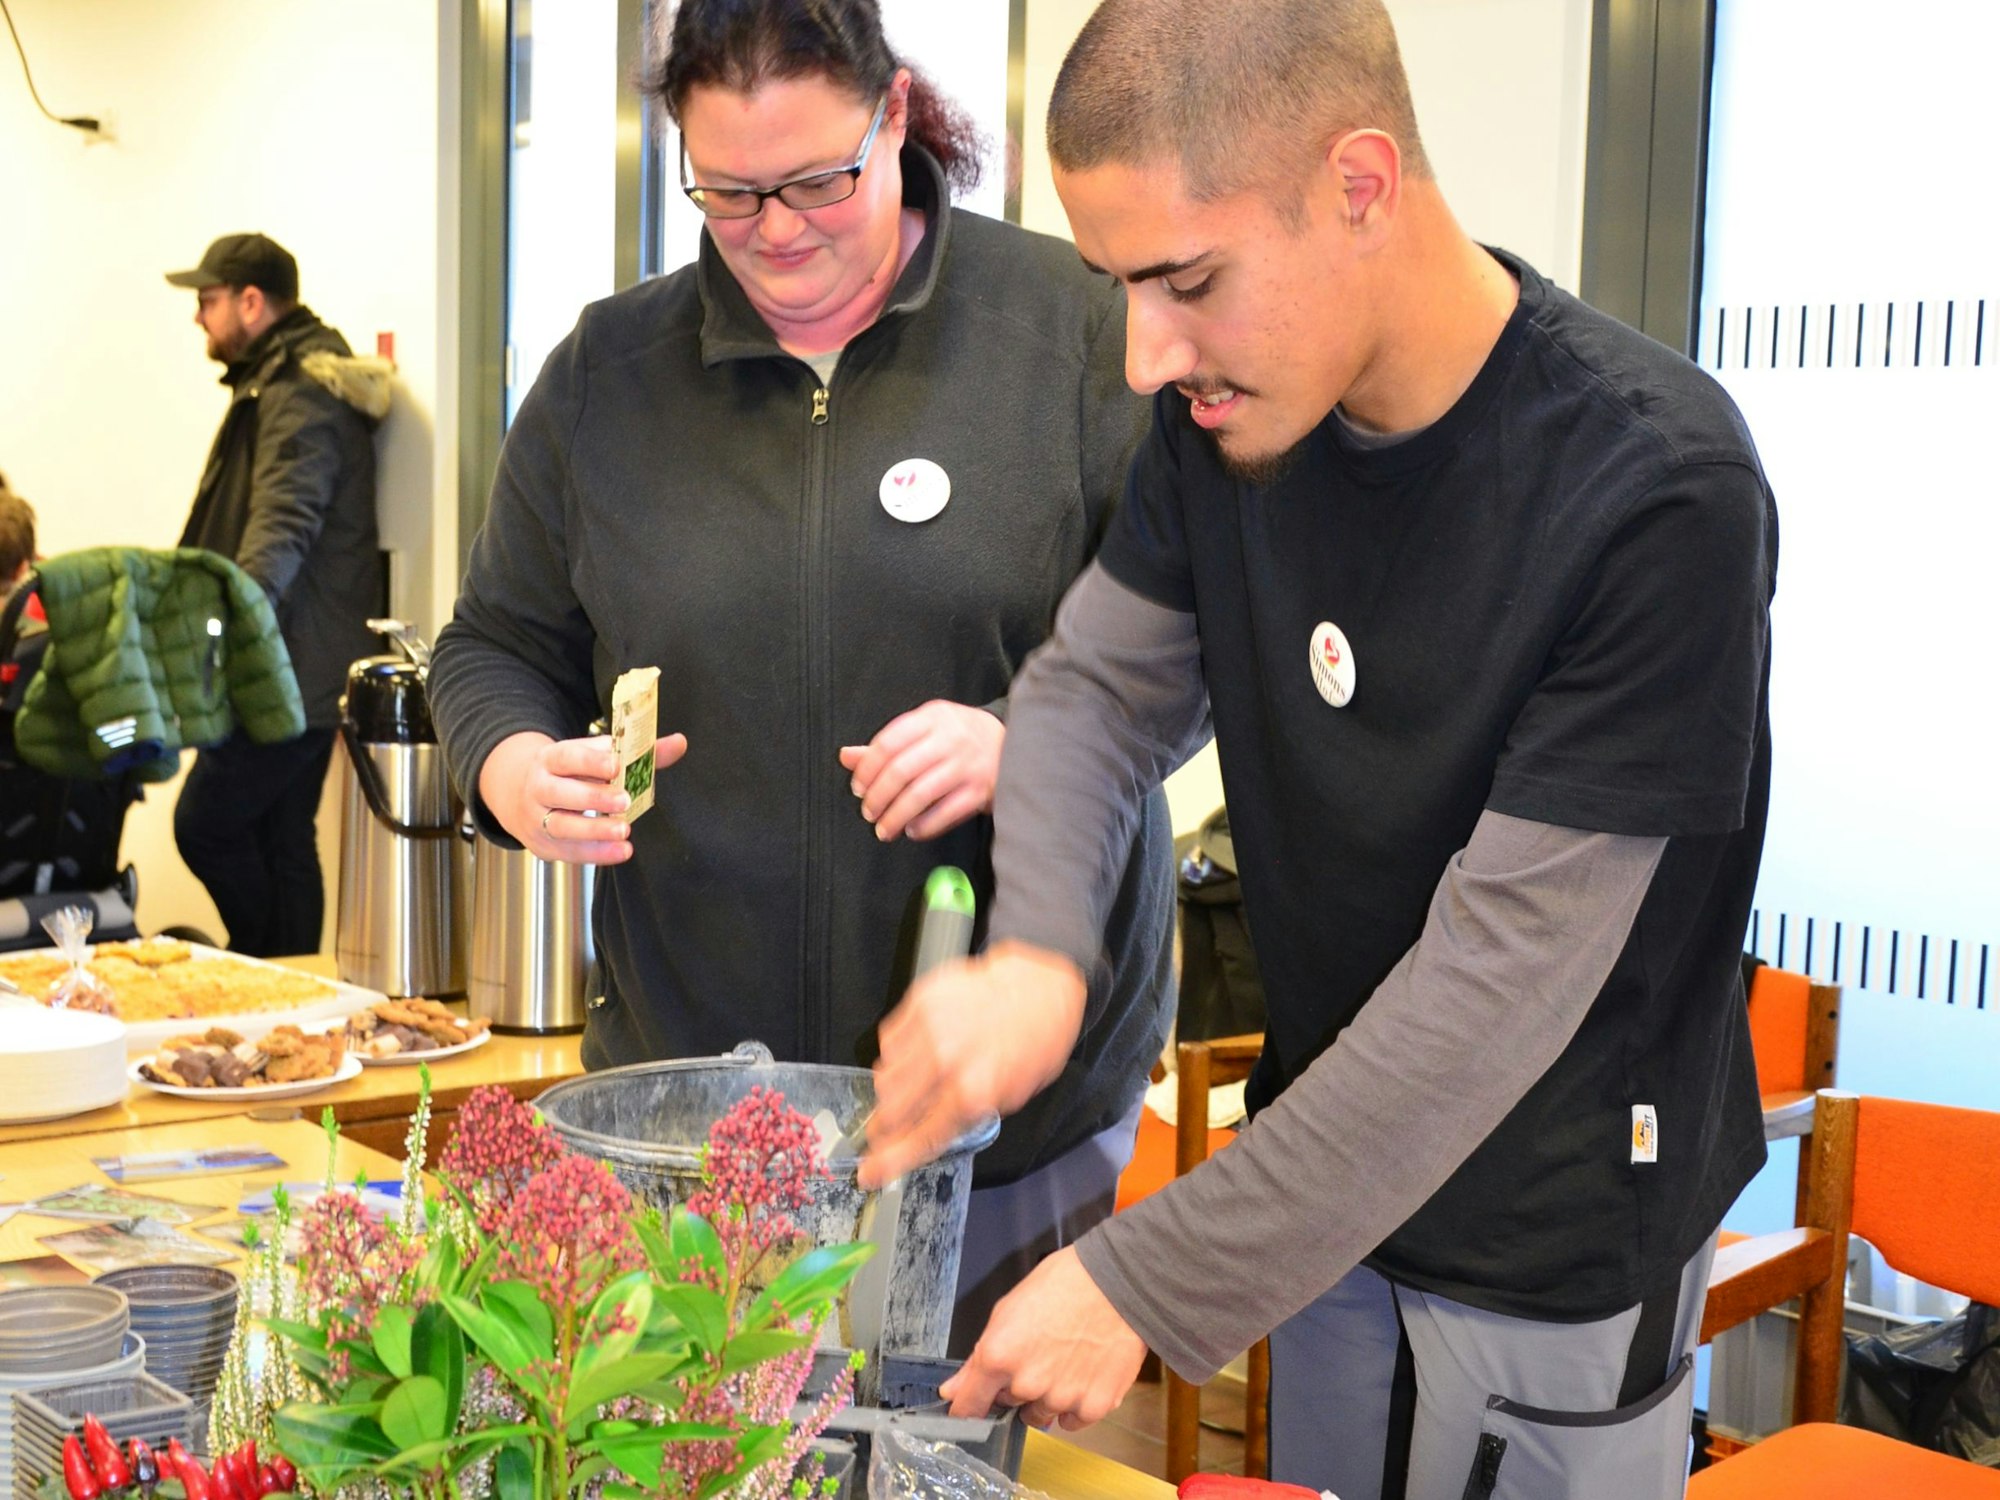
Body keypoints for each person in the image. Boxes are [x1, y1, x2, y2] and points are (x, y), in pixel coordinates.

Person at [862, 2, 1777, 1495]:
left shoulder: (1656, 489)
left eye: (1189, 282)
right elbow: (1096, 695)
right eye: (1121, 293)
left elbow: (1500, 984)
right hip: (1328, 1188)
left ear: (1360, 183)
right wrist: (1036, 953)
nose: (1150, 358)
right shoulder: (1234, 418)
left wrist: (1147, 1278)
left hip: (1552, 1233)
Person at [425, 0, 1175, 1349]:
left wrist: (1030, 743)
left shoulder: (1075, 336)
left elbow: (1205, 644)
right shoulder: (606, 376)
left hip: (998, 1122)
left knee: (947, 1463)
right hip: (691, 1125)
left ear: (894, 117)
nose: (777, 231)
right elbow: (493, 645)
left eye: (818, 181)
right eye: (728, 193)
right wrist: (513, 766)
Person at [164, 233, 388, 958]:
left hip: (289, 663)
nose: (200, 317)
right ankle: (285, 985)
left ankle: (261, 960)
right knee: (284, 835)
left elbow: (282, 526)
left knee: (206, 824)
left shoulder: (298, 391)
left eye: (209, 300)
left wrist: (232, 630)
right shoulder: (284, 380)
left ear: (251, 302)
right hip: (304, 657)